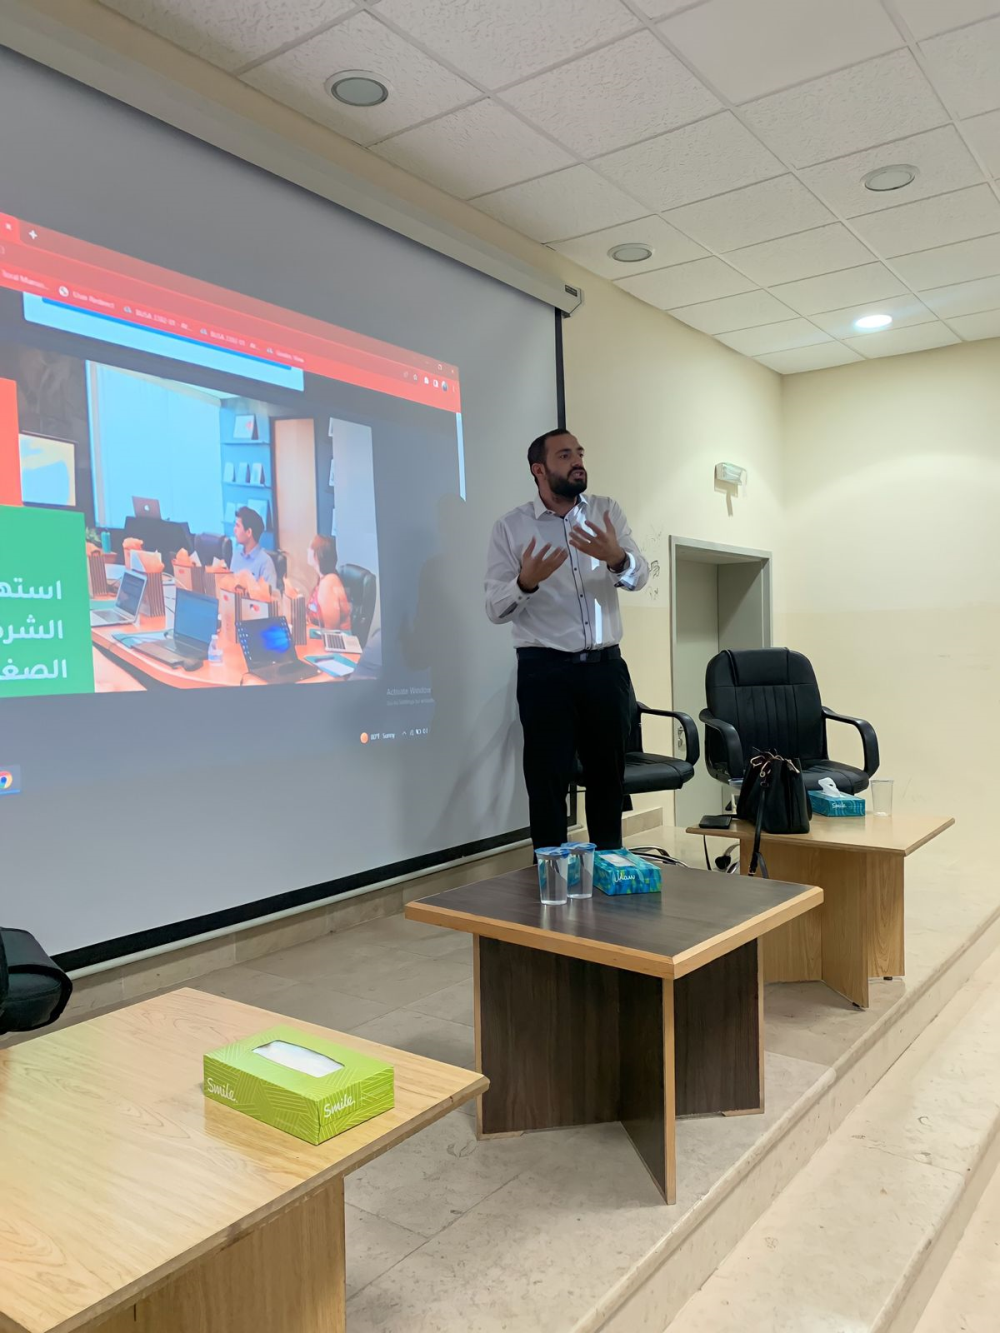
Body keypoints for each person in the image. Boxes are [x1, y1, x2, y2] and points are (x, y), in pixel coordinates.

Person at [485, 429, 648, 852]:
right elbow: (495, 609)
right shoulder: (511, 527)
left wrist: (618, 558)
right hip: (545, 672)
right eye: (564, 455)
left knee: (607, 780)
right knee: (547, 780)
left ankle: (609, 867)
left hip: (605, 669)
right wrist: (525, 582)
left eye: (579, 453)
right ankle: (550, 877)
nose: (577, 461)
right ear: (539, 470)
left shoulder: (606, 512)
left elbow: (639, 577)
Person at [306, 535, 352, 631]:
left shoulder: (328, 583)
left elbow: (331, 631)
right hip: (320, 636)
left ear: (317, 555)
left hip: (335, 639)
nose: (307, 550)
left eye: (310, 548)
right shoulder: (322, 579)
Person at [231, 506, 278, 588]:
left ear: (249, 532)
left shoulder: (265, 562)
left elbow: (270, 594)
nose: (234, 529)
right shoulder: (236, 555)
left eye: (238, 526)